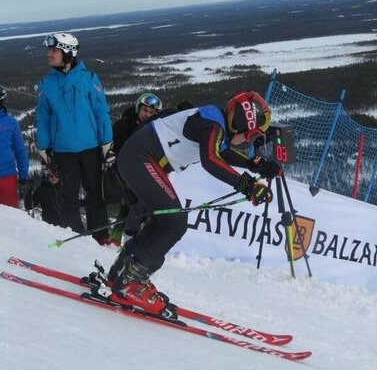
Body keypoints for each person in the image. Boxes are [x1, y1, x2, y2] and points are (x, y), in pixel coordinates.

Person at [102, 90, 283, 317]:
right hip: (141, 159)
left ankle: (121, 275)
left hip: (139, 158)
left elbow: (223, 153)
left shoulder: (215, 121)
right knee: (175, 222)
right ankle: (130, 282)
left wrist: (258, 164)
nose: (249, 141)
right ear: (241, 126)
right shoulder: (212, 125)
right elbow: (212, 160)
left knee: (164, 219)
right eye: (251, 137)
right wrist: (247, 185)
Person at [36, 32, 114, 245]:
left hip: (90, 150)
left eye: (54, 50)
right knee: (68, 198)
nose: (49, 54)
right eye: (49, 50)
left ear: (68, 53)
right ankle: (77, 239)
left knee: (95, 196)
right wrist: (43, 148)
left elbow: (101, 113)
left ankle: (101, 238)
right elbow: (42, 118)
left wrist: (107, 145)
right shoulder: (47, 83)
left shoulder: (88, 78)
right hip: (63, 152)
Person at [105, 93, 164, 244]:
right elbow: (115, 149)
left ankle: (126, 236)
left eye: (151, 112)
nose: (147, 115)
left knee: (138, 206)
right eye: (145, 110)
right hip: (123, 170)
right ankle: (119, 238)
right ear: (138, 108)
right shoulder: (124, 125)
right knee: (132, 204)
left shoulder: (155, 129)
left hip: (143, 170)